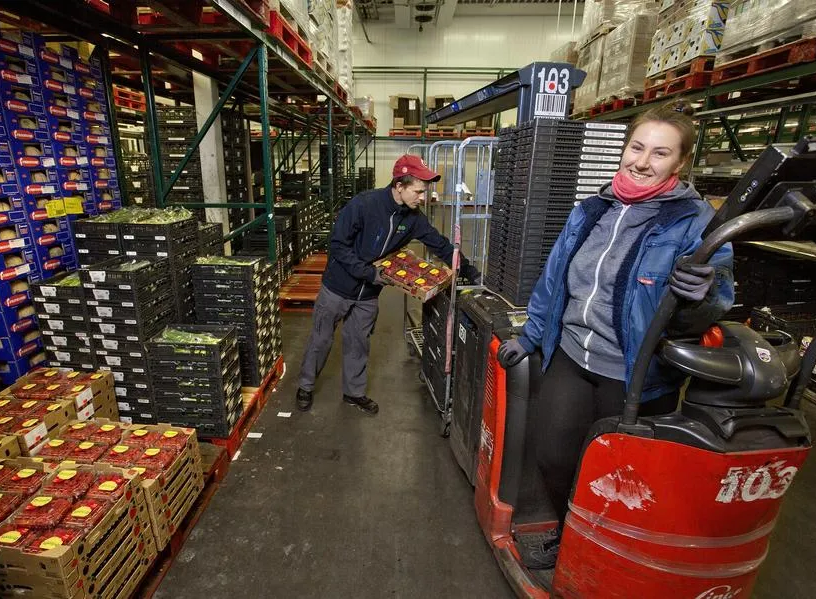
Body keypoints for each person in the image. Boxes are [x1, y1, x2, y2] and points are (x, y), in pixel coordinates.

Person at [496, 101, 734, 568]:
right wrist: (532, 336)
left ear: (680, 163)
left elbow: (707, 310)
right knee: (555, 457)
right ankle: (568, 536)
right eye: (637, 147)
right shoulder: (591, 210)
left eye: (660, 153)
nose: (643, 161)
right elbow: (554, 277)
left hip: (636, 372)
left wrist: (700, 296)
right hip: (572, 356)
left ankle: (610, 557)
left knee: (626, 477)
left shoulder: (694, 223)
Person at [296, 155, 481, 415]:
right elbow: (338, 245)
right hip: (338, 288)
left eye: (423, 192)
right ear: (399, 186)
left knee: (358, 342)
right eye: (417, 191)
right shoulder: (364, 205)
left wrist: (468, 269)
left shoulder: (414, 218)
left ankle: (354, 393)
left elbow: (440, 244)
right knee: (321, 339)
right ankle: (305, 386)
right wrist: (369, 272)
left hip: (369, 294)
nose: (421, 197)